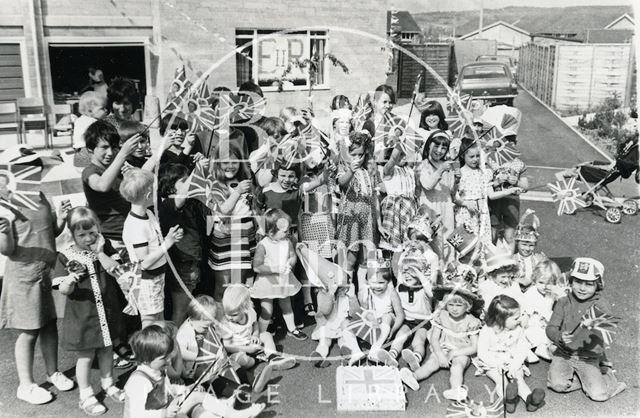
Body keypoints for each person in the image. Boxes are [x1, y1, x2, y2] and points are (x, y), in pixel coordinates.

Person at [0, 191, 74, 405]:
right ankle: (26, 385)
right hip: (24, 274)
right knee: (29, 331)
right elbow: (7, 250)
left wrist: (60, 218)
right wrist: (4, 233)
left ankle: (53, 372)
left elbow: (51, 232)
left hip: (47, 270)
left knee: (50, 324)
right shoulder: (5, 204)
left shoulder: (41, 196)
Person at [51, 207, 126, 415]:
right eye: (81, 234)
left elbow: (116, 269)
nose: (88, 238)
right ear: (72, 234)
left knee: (107, 349)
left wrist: (100, 252)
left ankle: (108, 383)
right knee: (86, 355)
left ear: (98, 229)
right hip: (84, 315)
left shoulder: (104, 246)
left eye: (92, 232)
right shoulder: (66, 256)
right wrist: (69, 280)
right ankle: (85, 395)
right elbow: (62, 290)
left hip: (108, 311)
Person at [125, 324, 265, 418]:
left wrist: (183, 389)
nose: (169, 361)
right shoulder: (138, 381)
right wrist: (165, 413)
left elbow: (168, 388)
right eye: (164, 358)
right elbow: (138, 414)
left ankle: (225, 411)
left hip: (166, 411)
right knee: (196, 399)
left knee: (197, 401)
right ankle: (230, 412)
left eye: (169, 356)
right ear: (145, 360)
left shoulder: (155, 369)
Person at [546, 257, 627, 402]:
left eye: (589, 284)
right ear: (570, 282)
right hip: (564, 352)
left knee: (598, 395)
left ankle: (608, 377)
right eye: (577, 282)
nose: (582, 288)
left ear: (598, 286)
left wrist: (592, 335)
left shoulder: (601, 306)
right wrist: (559, 336)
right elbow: (551, 328)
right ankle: (584, 381)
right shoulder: (563, 302)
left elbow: (605, 338)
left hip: (587, 356)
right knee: (557, 385)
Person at [400, 263, 482, 402]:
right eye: (451, 305)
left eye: (459, 305)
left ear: (467, 306)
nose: (454, 309)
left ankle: (456, 389)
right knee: (432, 363)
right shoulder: (441, 316)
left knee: (457, 366)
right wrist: (439, 354)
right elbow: (434, 339)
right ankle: (414, 377)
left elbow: (474, 346)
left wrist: (455, 353)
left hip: (461, 350)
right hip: (443, 347)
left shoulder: (471, 321)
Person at [120, 168, 184, 327]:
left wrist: (168, 237)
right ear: (148, 196)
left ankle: (160, 349)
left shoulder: (148, 214)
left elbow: (155, 241)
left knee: (158, 316)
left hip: (156, 276)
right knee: (150, 322)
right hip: (146, 279)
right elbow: (145, 263)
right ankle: (150, 350)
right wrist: (168, 243)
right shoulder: (136, 226)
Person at [475, 295, 547, 413]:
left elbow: (522, 348)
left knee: (518, 379)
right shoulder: (487, 331)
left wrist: (514, 365)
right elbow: (482, 353)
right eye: (515, 318)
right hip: (493, 360)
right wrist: (499, 364)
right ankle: (508, 399)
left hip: (512, 358)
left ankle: (530, 399)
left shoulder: (517, 329)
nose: (519, 320)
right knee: (501, 379)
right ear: (500, 319)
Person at [158, 163, 208, 325]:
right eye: (184, 181)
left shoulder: (189, 203)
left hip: (191, 263)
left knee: (186, 307)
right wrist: (197, 170)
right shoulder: (168, 204)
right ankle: (175, 342)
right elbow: (180, 197)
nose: (190, 183)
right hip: (182, 265)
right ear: (171, 186)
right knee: (180, 309)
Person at [219, 285, 296, 389]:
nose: (229, 317)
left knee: (266, 335)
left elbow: (255, 324)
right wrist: (247, 349)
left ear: (245, 307)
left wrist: (255, 335)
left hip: (250, 342)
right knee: (241, 360)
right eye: (226, 313)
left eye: (234, 314)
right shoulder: (226, 323)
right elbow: (227, 345)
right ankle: (257, 359)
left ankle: (273, 357)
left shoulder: (250, 312)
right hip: (238, 349)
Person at [208, 142, 257, 301]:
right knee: (223, 286)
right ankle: (221, 318)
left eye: (234, 162)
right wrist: (237, 192)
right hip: (225, 238)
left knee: (239, 285)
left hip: (243, 237)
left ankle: (237, 319)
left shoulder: (244, 180)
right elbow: (223, 211)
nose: (230, 166)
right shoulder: (215, 183)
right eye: (225, 162)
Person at [251, 209, 307, 341]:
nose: (288, 233)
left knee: (287, 305)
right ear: (271, 232)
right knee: (267, 311)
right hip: (267, 282)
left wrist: (290, 264)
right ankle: (260, 335)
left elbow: (292, 256)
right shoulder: (263, 245)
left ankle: (292, 328)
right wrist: (275, 268)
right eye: (284, 230)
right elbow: (257, 267)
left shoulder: (287, 242)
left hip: (283, 280)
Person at [81, 120, 140, 244]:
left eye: (114, 147)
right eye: (104, 147)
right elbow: (102, 185)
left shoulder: (119, 167)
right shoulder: (89, 171)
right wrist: (122, 154)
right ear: (90, 149)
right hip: (110, 239)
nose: (110, 153)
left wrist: (132, 175)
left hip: (132, 233)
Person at [336, 130, 378, 288]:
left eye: (361, 155)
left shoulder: (367, 171)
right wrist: (351, 171)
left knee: (368, 255)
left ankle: (363, 289)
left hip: (366, 217)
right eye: (354, 155)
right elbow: (341, 182)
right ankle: (346, 289)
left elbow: (373, 197)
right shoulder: (345, 168)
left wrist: (378, 223)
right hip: (350, 216)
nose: (358, 159)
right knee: (350, 254)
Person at [388, 241, 435, 367]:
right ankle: (391, 355)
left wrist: (419, 273)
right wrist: (404, 267)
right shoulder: (401, 287)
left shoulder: (423, 289)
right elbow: (399, 275)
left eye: (411, 272)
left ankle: (416, 358)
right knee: (400, 336)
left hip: (424, 322)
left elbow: (431, 293)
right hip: (408, 321)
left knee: (418, 340)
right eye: (405, 272)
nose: (407, 275)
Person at [357, 253, 404, 366]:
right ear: (368, 282)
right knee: (352, 319)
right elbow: (364, 310)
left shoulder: (391, 292)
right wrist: (363, 297)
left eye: (381, 283)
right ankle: (354, 351)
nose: (377, 286)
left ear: (387, 282)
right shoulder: (367, 291)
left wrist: (393, 330)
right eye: (373, 282)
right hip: (373, 322)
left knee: (386, 316)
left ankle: (375, 349)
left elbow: (400, 315)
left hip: (386, 322)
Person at [416, 130, 457, 260]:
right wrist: (440, 170)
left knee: (448, 241)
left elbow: (451, 190)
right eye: (436, 146)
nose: (439, 150)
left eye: (444, 148)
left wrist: (457, 180)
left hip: (446, 207)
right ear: (429, 145)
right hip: (430, 208)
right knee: (432, 242)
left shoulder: (447, 166)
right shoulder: (423, 165)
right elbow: (427, 185)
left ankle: (447, 273)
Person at [486, 135, 528, 253]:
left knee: (510, 234)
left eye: (512, 143)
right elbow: (485, 182)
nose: (510, 145)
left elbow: (526, 186)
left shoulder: (519, 163)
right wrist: (497, 181)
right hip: (495, 200)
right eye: (507, 142)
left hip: (511, 200)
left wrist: (517, 182)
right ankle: (491, 259)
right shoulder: (491, 160)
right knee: (492, 232)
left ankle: (511, 261)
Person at [521, 260, 565, 361]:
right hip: (534, 319)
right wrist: (526, 316)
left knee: (553, 332)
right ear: (534, 280)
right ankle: (533, 349)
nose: (544, 286)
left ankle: (545, 347)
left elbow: (562, 300)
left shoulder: (551, 292)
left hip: (547, 318)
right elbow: (526, 308)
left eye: (549, 283)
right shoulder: (531, 292)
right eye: (541, 282)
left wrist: (559, 293)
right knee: (532, 333)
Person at [378, 141, 416, 253]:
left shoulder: (410, 170)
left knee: (409, 242)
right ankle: (393, 264)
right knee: (394, 243)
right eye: (401, 154)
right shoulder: (389, 170)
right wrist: (399, 142)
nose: (403, 157)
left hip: (409, 209)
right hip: (395, 209)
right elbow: (394, 158)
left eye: (405, 155)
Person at [513, 210, 547, 292]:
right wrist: (518, 280)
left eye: (531, 245)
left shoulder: (538, 259)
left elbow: (545, 276)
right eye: (524, 245)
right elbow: (505, 277)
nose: (527, 249)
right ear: (517, 243)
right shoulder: (512, 259)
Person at [73, 91, 108, 169]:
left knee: (85, 174)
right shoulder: (93, 122)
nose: (106, 110)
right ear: (90, 111)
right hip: (88, 153)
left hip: (79, 152)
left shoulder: (80, 120)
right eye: (102, 108)